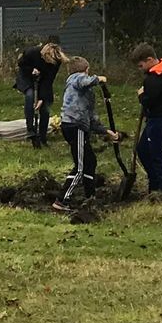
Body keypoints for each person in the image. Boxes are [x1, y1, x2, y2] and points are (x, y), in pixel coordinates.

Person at [54, 57, 121, 209]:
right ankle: (61, 200)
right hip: (74, 126)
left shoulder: (86, 93)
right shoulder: (75, 79)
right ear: (85, 70)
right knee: (80, 166)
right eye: (88, 72)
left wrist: (106, 131)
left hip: (80, 126)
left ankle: (90, 197)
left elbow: (91, 118)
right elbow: (85, 81)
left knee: (90, 161)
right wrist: (99, 79)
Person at [131, 42, 162, 198]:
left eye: (141, 65)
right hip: (159, 118)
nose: (140, 69)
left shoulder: (154, 79)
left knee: (155, 153)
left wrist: (141, 95)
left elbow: (148, 101)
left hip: (160, 119)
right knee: (143, 150)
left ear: (150, 59)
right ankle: (154, 182)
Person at [13, 40, 63, 148]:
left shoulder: (57, 61)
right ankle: (30, 130)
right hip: (26, 77)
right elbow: (21, 64)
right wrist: (31, 70)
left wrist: (42, 97)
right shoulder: (32, 52)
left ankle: (42, 137)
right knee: (30, 96)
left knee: (46, 104)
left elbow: (49, 80)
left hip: (44, 80)